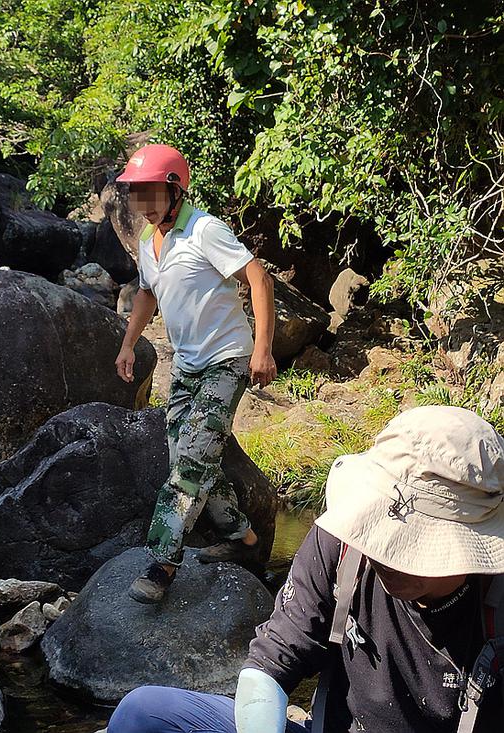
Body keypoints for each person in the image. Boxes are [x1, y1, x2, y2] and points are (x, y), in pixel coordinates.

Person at [106, 405, 504, 731]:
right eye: (385, 534)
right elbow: (273, 661)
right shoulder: (344, 539)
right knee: (144, 714)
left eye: (414, 544)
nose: (386, 555)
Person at [114, 144, 277, 604]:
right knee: (187, 455)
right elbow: (146, 294)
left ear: (173, 189)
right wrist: (128, 344)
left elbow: (258, 278)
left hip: (226, 360)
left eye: (147, 191)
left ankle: (162, 562)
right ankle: (244, 539)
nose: (140, 202)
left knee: (189, 466)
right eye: (134, 193)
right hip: (185, 366)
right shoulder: (149, 243)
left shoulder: (204, 229)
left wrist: (262, 349)